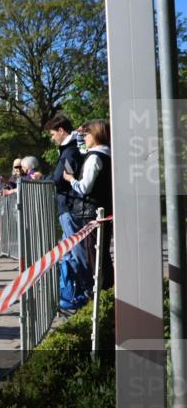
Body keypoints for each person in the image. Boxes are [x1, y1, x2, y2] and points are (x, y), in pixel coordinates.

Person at [46, 114, 92, 310]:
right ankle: (80, 291)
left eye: (52, 133)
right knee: (72, 251)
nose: (52, 138)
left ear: (61, 131)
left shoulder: (69, 152)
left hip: (70, 207)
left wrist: (47, 180)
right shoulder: (69, 151)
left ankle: (88, 290)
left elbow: (61, 178)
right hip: (69, 206)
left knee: (76, 250)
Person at [63, 119, 113, 291]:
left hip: (92, 212)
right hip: (102, 210)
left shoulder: (94, 158)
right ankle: (107, 291)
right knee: (102, 254)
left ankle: (102, 292)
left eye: (87, 134)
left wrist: (70, 180)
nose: (84, 138)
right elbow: (82, 148)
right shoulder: (106, 154)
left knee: (95, 255)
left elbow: (84, 187)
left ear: (96, 134)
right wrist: (78, 135)